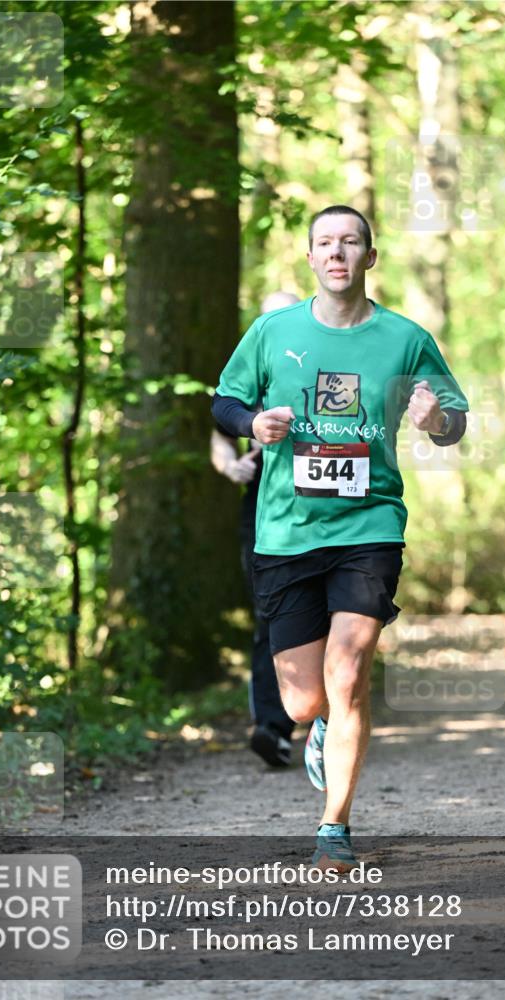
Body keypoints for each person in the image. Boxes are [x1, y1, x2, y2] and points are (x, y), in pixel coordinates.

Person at [211, 205, 469, 871]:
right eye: (325, 242)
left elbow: (454, 423)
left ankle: (334, 827)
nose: (337, 253)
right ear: (309, 257)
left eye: (350, 242)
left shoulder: (404, 338)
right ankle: (321, 725)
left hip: (369, 526)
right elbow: (224, 401)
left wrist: (435, 416)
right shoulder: (272, 331)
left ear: (368, 256)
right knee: (301, 701)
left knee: (349, 670)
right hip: (286, 530)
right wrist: (253, 425)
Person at [211, 291, 299, 768]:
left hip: (323, 506)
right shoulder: (249, 368)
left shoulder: (320, 359)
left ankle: (329, 718)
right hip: (263, 507)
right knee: (271, 610)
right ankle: (273, 727)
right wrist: (232, 468)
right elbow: (220, 434)